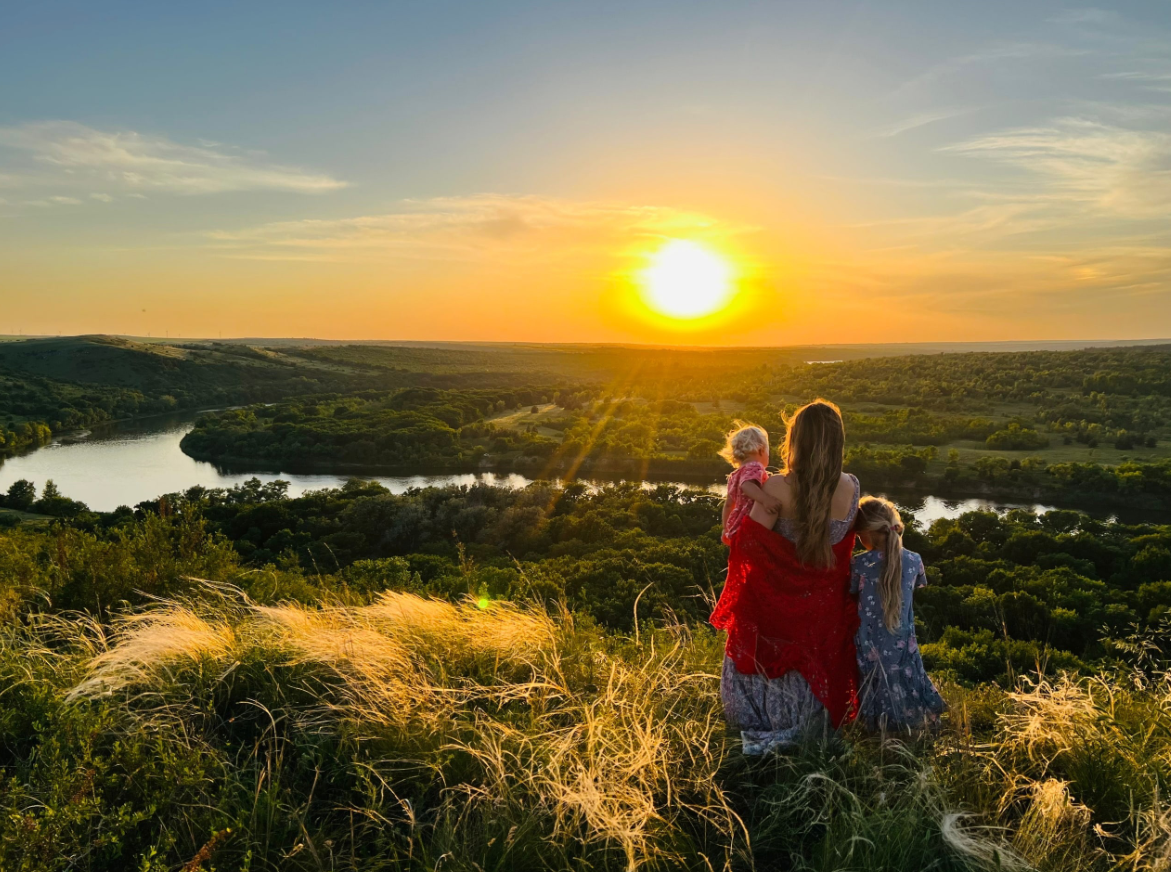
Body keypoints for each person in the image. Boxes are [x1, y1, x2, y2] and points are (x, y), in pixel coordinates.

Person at [710, 399, 861, 754]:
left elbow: (747, 546)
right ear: (837, 441)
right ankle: (809, 725)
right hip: (822, 619)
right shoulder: (851, 487)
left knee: (756, 639)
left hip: (777, 617)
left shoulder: (774, 488)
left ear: (795, 441)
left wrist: (731, 503)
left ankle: (763, 726)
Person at [851, 496, 946, 732]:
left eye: (858, 534)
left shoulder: (859, 565)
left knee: (875, 683)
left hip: (869, 643)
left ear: (868, 533)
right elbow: (916, 586)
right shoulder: (914, 560)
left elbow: (850, 593)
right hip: (902, 640)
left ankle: (877, 730)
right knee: (905, 680)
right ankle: (912, 725)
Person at [718, 422, 780, 545]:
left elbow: (728, 505)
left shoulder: (734, 475)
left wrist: (726, 529)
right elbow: (746, 485)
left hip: (737, 527)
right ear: (761, 450)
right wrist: (765, 499)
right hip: (751, 521)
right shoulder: (755, 466)